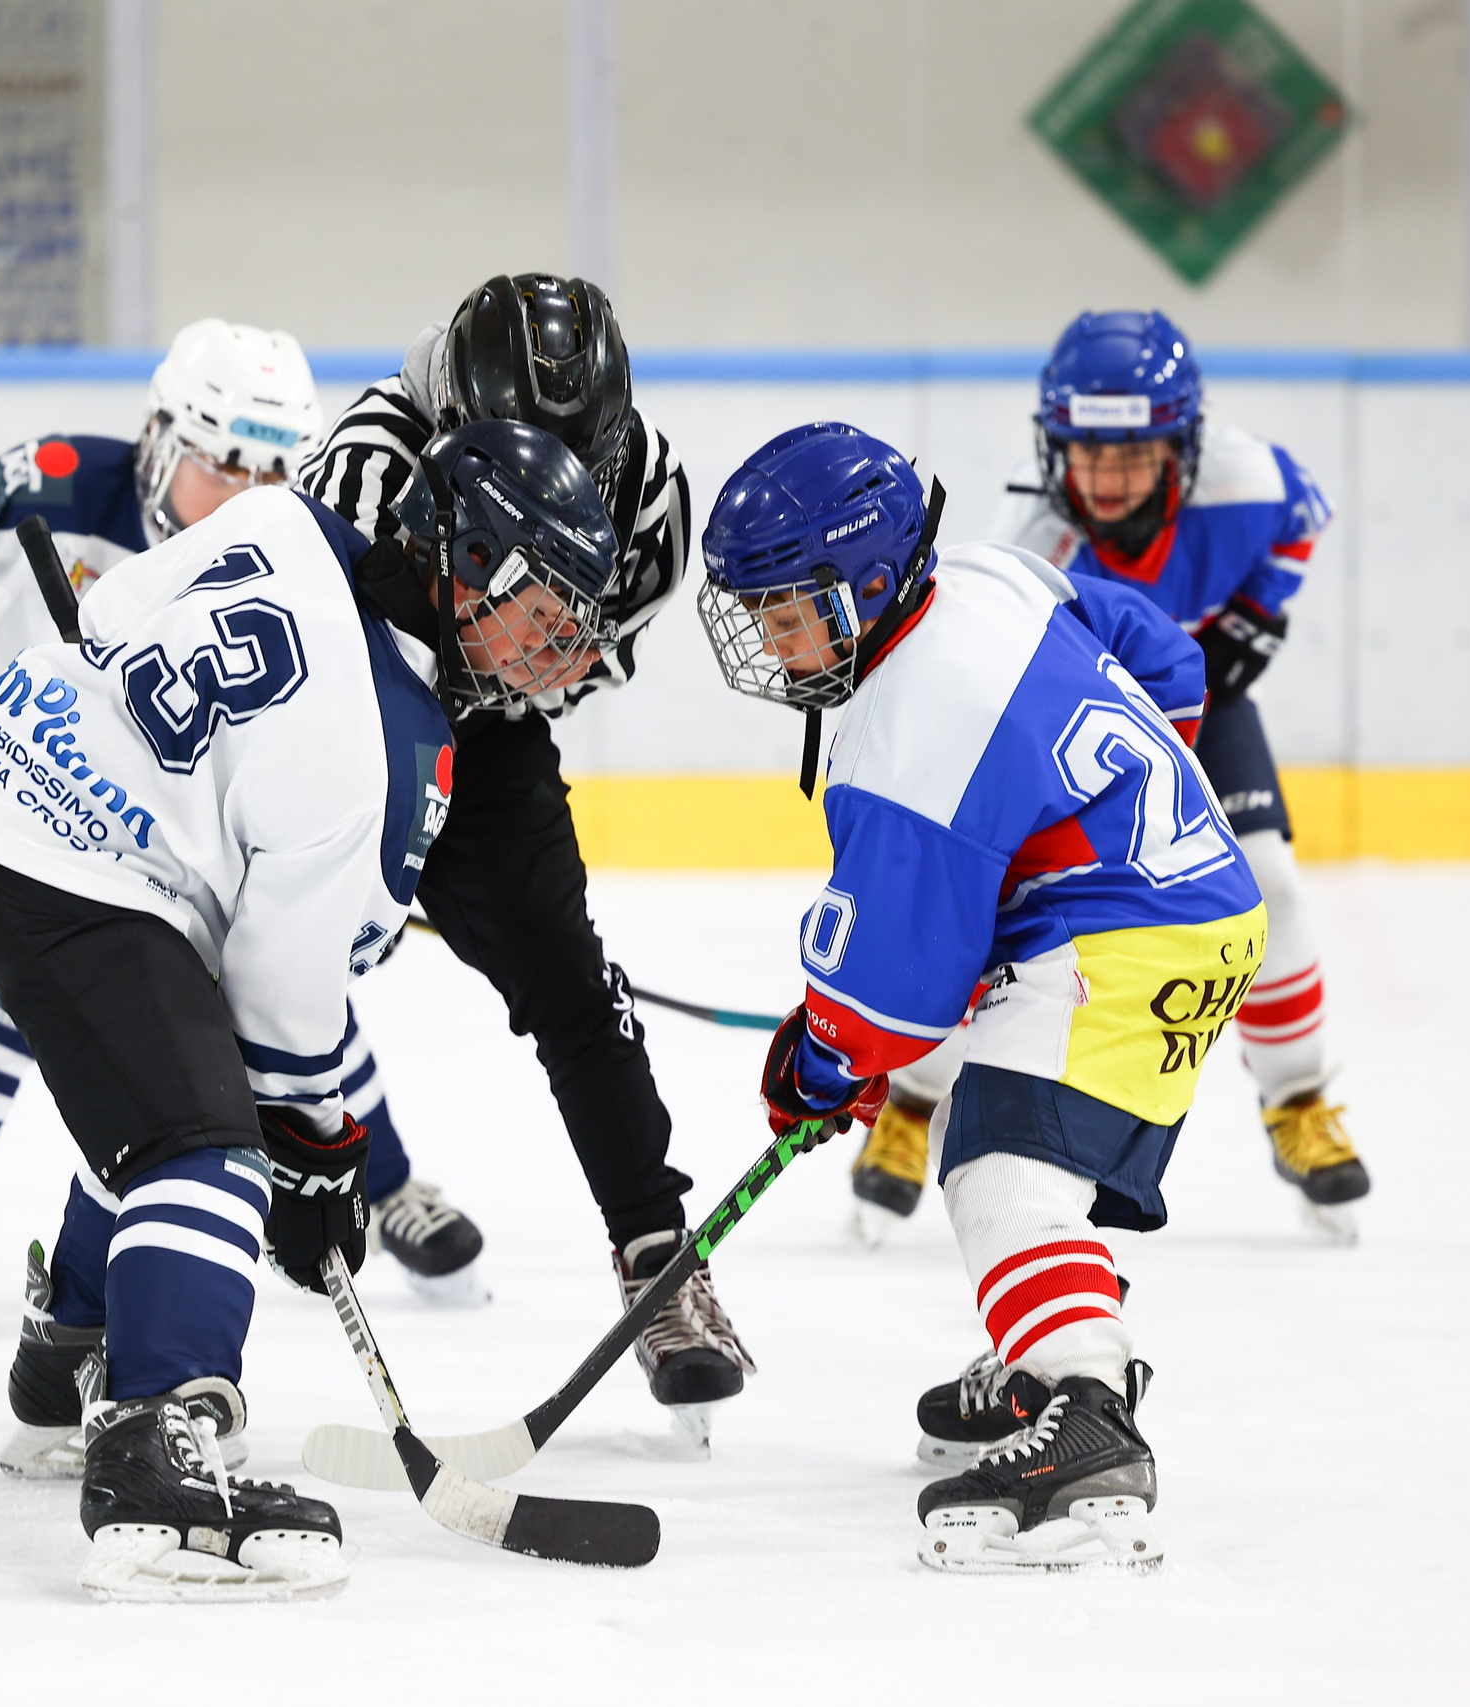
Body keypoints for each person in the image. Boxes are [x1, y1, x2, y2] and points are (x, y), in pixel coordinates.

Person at [0, 418, 619, 1601]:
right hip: (71, 869)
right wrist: (322, 1155)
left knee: (157, 1095)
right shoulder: (394, 753)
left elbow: (118, 604)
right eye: (542, 617)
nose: (554, 655)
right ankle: (151, 1436)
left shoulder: (289, 520)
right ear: (469, 564)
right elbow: (281, 998)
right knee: (208, 1141)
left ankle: (65, 1357)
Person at [0, 320, 488, 1336]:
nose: (245, 491)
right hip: (42, 805)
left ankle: (387, 1184)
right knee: (19, 995)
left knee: (276, 981)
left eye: (272, 469)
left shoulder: (282, 537)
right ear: (159, 437)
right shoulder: (65, 480)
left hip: (177, 822)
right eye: (221, 465)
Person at [698, 422, 1266, 1572]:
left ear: (863, 580)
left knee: (998, 1170)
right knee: (997, 1120)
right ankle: (1047, 1358)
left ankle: (1085, 1411)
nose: (770, 639)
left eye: (789, 610)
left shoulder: (910, 731)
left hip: (1120, 939)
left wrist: (816, 1070)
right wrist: (1075, 824)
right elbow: (1162, 661)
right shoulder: (985, 579)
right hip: (1195, 901)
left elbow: (891, 1003)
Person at [299, 273, 755, 1433]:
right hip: (346, 718)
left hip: (490, 720)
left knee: (567, 975)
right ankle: (103, 1305)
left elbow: (559, 664)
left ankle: (662, 1263)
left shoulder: (647, 494)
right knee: (241, 977)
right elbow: (307, 648)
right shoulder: (362, 468)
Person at [843, 309, 1372, 1248]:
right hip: (1076, 735)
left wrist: (1255, 619)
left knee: (1277, 891)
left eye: (1133, 457)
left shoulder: (1250, 481)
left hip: (1195, 702)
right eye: (1088, 456)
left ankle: (1298, 1099)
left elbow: (1301, 521)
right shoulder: (1025, 539)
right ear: (1054, 451)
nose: (1109, 480)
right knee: (1001, 923)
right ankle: (914, 1105)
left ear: (1184, 449)